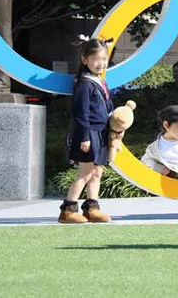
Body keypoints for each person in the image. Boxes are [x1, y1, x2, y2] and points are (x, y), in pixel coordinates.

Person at [58, 37, 115, 224]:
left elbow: (108, 107)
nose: (101, 64)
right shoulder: (84, 83)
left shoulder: (99, 81)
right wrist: (84, 137)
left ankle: (92, 208)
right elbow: (80, 113)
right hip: (88, 134)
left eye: (104, 59)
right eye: (96, 59)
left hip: (100, 133)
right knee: (86, 173)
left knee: (97, 172)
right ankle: (68, 209)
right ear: (85, 60)